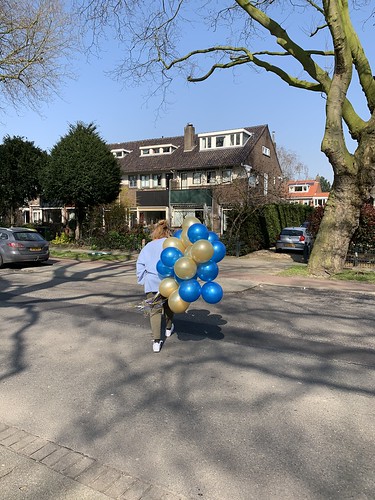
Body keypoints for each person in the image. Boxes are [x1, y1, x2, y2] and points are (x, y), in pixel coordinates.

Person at [136, 220, 175, 353]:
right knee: (170, 306)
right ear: (168, 231)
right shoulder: (172, 245)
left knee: (155, 310)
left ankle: (156, 341)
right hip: (168, 281)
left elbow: (140, 264)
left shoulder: (148, 246)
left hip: (152, 282)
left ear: (155, 232)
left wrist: (142, 279)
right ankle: (168, 328)